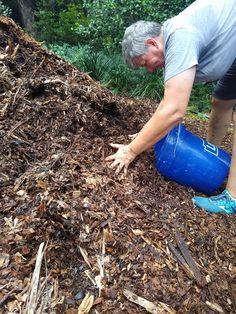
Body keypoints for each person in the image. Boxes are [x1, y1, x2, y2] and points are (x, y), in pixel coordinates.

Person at [105, 0, 236, 214]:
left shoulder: (180, 36)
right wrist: (145, 136)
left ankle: (232, 199)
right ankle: (211, 158)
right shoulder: (173, 40)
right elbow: (167, 104)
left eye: (144, 62)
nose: (148, 70)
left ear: (153, 43)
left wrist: (131, 150)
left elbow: (174, 111)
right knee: (221, 103)